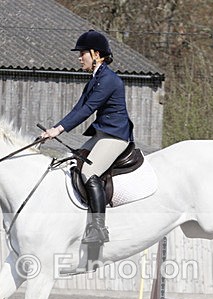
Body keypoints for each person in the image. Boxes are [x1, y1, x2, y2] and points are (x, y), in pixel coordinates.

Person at [40, 29, 134, 250]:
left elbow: (88, 109)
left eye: (82, 53)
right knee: (71, 162)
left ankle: (98, 229)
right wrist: (54, 128)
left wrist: (58, 130)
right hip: (102, 134)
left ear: (96, 54)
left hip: (116, 136)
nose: (79, 57)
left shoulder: (109, 79)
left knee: (88, 172)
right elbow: (79, 107)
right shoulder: (95, 79)